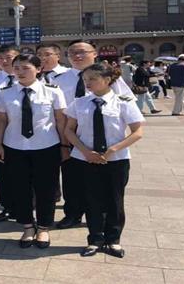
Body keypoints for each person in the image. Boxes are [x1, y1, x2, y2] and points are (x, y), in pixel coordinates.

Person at [52, 39, 135, 230]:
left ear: (94, 53)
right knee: (71, 178)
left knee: (104, 181)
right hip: (70, 136)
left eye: (82, 51)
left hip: (102, 138)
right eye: (72, 52)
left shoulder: (110, 78)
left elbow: (127, 104)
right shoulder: (58, 80)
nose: (77, 56)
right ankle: (73, 214)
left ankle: (103, 216)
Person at [64, 63, 145, 259]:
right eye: (85, 79)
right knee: (91, 200)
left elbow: (137, 132)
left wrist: (112, 150)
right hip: (85, 159)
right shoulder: (79, 103)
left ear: (107, 80)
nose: (88, 83)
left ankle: (113, 240)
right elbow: (69, 130)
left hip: (115, 160)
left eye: (93, 79)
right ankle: (94, 239)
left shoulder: (123, 102)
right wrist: (85, 151)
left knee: (115, 200)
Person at [0, 55, 66, 249]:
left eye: (25, 68)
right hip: (14, 146)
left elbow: (60, 120)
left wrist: (65, 146)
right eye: (16, 68)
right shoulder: (5, 93)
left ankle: (43, 227)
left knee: (46, 189)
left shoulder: (53, 91)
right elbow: (2, 121)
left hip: (46, 146)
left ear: (38, 69)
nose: (20, 72)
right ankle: (27, 226)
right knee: (20, 189)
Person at [0, 44, 20, 222]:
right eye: (0, 58)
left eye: (9, 57)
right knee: (3, 173)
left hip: (23, 134)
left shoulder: (28, 78)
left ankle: (26, 206)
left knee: (24, 174)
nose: (5, 61)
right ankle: (8, 206)